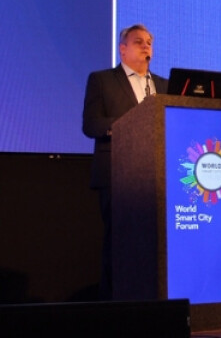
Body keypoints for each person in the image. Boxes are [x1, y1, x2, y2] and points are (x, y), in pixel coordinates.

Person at [82, 23, 168, 299]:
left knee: (156, 243)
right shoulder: (102, 80)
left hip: (158, 175)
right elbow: (91, 125)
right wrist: (130, 124)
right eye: (138, 41)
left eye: (149, 42)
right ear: (122, 49)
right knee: (119, 244)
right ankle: (113, 305)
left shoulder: (164, 86)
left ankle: (156, 301)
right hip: (116, 174)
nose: (146, 46)